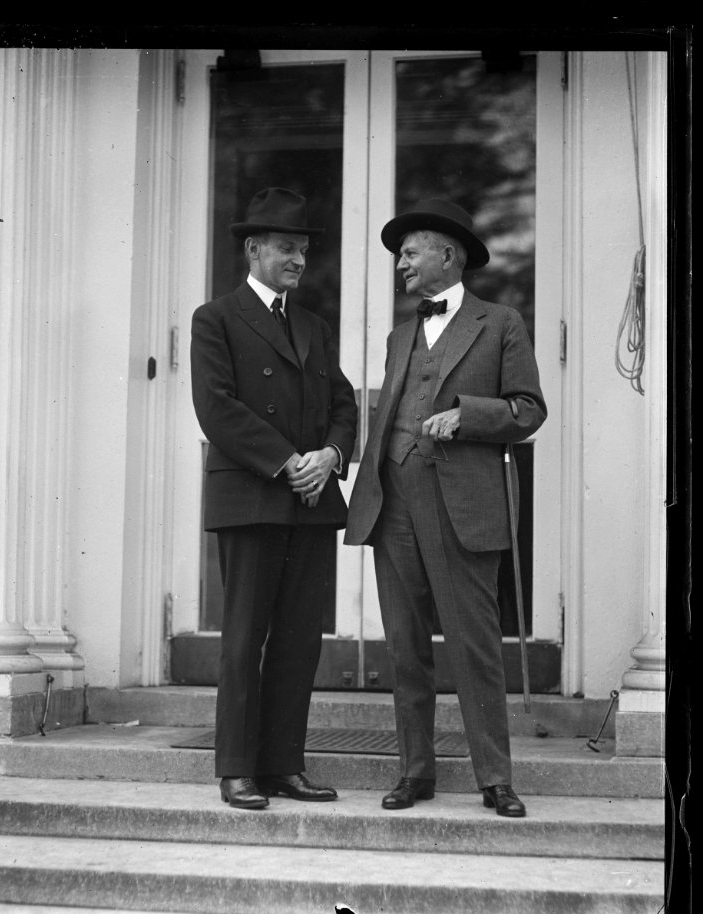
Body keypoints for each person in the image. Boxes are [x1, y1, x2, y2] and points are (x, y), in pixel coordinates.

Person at [344, 197, 547, 817]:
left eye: (410, 252)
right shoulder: (400, 334)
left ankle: (495, 778)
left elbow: (529, 410)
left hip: (464, 506)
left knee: (474, 646)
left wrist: (469, 416)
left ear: (448, 256)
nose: (401, 263)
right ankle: (415, 773)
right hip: (394, 503)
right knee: (406, 648)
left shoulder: (501, 321)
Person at [190, 187, 358, 809]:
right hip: (254, 496)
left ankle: (285, 764)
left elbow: (343, 405)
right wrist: (288, 460)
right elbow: (217, 409)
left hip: (310, 501)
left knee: (298, 640)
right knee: (244, 638)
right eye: (286, 248)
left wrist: (331, 456)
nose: (298, 260)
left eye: (304, 249)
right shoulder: (216, 318)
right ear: (254, 249)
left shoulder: (313, 325)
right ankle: (237, 768)